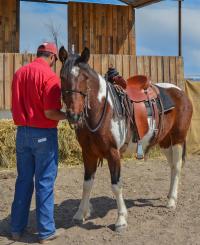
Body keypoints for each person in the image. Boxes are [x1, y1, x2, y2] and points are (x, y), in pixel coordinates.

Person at [10, 42, 66, 243]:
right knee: (44, 182)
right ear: (52, 57)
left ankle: (16, 229)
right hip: (43, 134)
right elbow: (50, 112)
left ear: (38, 54)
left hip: (21, 133)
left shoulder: (19, 73)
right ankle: (46, 232)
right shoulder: (50, 77)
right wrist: (69, 117)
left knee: (23, 180)